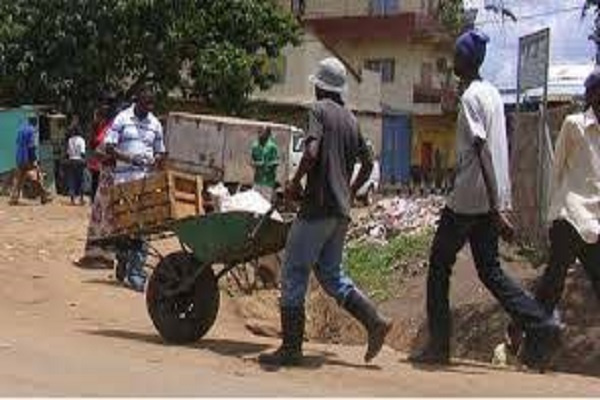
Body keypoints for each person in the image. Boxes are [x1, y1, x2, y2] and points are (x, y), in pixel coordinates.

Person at [409, 30, 562, 370]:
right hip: (487, 197)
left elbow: (481, 152)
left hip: (469, 197)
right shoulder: (492, 93)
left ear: (465, 61)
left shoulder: (469, 98)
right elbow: (496, 149)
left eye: (456, 57)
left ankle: (439, 345)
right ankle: (542, 324)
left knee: (438, 265)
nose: (453, 62)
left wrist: (495, 208)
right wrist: (499, 203)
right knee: (490, 270)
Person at [259, 57, 392, 367]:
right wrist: (348, 188)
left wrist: (293, 183)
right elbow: (369, 162)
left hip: (317, 207)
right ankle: (375, 322)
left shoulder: (317, 111)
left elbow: (311, 152)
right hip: (341, 212)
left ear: (319, 87)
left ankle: (291, 348)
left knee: (293, 269)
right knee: (331, 275)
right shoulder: (351, 119)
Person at [504, 68, 600, 360]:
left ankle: (519, 326)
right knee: (552, 284)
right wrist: (554, 212)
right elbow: (557, 169)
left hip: (595, 222)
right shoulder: (575, 125)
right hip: (569, 216)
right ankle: (527, 337)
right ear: (592, 95)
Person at [103, 86, 166, 292]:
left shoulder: (155, 124)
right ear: (136, 101)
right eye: (146, 103)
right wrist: (130, 158)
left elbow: (160, 152)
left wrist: (154, 161)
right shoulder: (122, 119)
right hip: (123, 182)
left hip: (146, 183)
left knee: (144, 228)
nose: (149, 107)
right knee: (124, 227)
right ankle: (123, 259)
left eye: (151, 104)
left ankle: (136, 273)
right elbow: (109, 148)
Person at [75, 101, 119, 270]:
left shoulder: (109, 130)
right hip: (108, 175)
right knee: (106, 216)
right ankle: (103, 255)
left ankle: (99, 256)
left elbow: (101, 151)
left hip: (109, 177)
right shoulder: (112, 128)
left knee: (102, 216)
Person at [9, 116, 51, 205]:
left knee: (19, 178)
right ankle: (44, 196)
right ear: (35, 122)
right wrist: (34, 159)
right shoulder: (32, 131)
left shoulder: (20, 130)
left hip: (19, 157)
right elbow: (31, 146)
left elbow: (17, 143)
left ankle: (14, 198)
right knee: (36, 176)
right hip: (28, 157)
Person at [251, 127, 279, 200]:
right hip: (257, 180)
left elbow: (276, 162)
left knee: (265, 204)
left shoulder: (272, 147)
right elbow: (251, 160)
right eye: (259, 132)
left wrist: (266, 165)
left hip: (268, 181)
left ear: (267, 134)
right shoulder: (255, 146)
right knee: (255, 202)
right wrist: (256, 164)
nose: (259, 134)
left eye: (262, 132)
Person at [65, 116, 86, 205]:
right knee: (81, 180)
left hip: (71, 161)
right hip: (79, 161)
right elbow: (82, 153)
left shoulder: (70, 140)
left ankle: (72, 199)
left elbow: (68, 153)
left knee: (71, 180)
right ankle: (81, 199)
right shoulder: (81, 140)